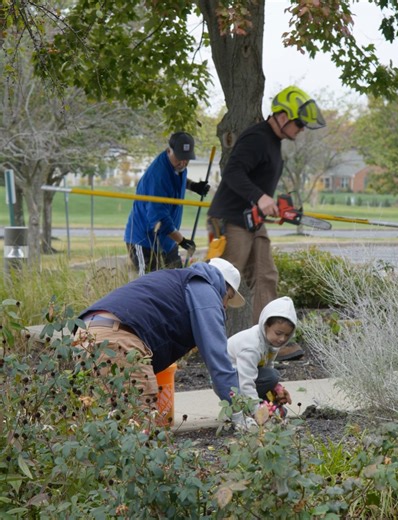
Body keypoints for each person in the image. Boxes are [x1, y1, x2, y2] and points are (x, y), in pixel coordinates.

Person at [207, 85, 325, 360]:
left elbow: (256, 182)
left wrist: (269, 204)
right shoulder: (256, 138)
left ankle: (269, 344)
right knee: (221, 284)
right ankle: (203, 342)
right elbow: (233, 172)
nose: (301, 129)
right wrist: (260, 198)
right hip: (229, 220)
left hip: (252, 221)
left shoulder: (273, 144)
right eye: (299, 123)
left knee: (265, 276)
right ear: (282, 117)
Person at [73, 258, 254, 428]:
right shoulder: (205, 289)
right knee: (138, 432)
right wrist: (239, 410)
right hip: (116, 339)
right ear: (222, 286)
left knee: (102, 427)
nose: (225, 306)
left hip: (86, 334)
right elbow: (218, 360)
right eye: (228, 297)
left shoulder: (178, 280)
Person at [124, 132, 210, 275]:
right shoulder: (158, 176)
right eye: (180, 158)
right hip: (144, 241)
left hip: (167, 241)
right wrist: (182, 241)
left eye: (186, 159)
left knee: (177, 282)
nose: (183, 163)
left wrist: (194, 186)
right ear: (168, 150)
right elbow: (160, 219)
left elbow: (178, 180)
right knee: (150, 287)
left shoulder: (177, 166)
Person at [227, 296, 297, 418]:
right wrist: (257, 412)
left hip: (242, 377)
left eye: (287, 335)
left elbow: (266, 368)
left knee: (272, 377)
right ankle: (243, 408)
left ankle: (267, 406)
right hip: (228, 381)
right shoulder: (251, 347)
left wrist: (277, 390)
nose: (282, 339)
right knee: (272, 376)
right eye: (278, 333)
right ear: (265, 325)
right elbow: (246, 382)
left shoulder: (271, 343)